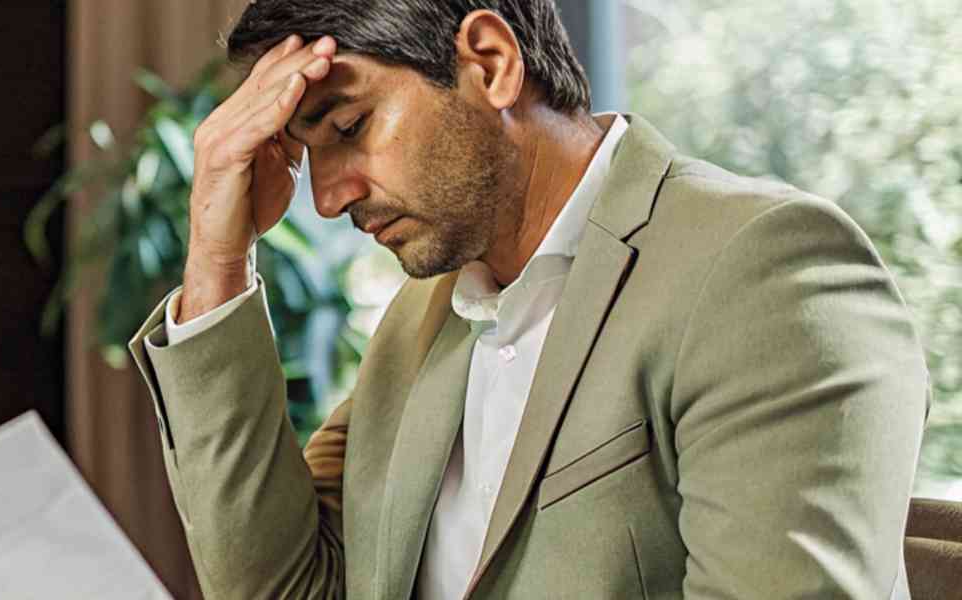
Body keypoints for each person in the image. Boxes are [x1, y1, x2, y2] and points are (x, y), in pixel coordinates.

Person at [125, 1, 929, 598]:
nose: (327, 199)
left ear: (490, 61)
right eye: (307, 152)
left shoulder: (767, 270)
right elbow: (282, 590)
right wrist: (218, 253)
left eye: (349, 126)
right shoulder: (424, 318)